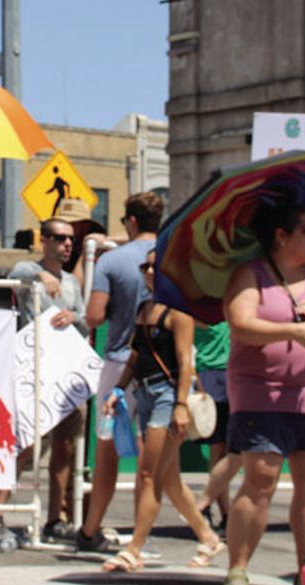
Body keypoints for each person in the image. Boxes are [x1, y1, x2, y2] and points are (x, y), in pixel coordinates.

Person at [222, 205, 305, 585]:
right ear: (281, 235)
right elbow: (242, 324)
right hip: (263, 395)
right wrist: (293, 332)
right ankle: (239, 569)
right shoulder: (250, 275)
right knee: (260, 480)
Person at [100, 249, 225, 572]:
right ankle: (207, 537)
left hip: (168, 395)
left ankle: (135, 548)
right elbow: (133, 356)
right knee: (169, 480)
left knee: (148, 473)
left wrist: (182, 404)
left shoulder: (178, 313)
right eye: (146, 267)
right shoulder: (143, 310)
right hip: (144, 393)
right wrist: (118, 389)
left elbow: (185, 361)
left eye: (156, 267)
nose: (150, 272)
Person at [0, 217, 89, 546]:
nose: (67, 244)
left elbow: (86, 321)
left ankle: (55, 519)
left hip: (67, 376)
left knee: (66, 448)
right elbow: (14, 273)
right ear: (43, 240)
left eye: (70, 239)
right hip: (35, 373)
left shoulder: (72, 283)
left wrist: (75, 317)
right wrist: (38, 275)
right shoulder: (28, 272)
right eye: (59, 238)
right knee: (27, 446)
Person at [75, 191, 164, 553]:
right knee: (151, 460)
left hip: (118, 360)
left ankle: (90, 528)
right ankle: (140, 538)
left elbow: (93, 315)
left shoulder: (112, 262)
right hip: (162, 363)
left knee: (107, 451)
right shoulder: (171, 256)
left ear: (130, 221)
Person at [194, 319, 241, 533]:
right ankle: (222, 513)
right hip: (211, 378)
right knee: (219, 449)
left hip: (235, 376)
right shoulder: (202, 313)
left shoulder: (235, 310)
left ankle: (222, 512)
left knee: (230, 451)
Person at [54, 197, 107, 289]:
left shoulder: (102, 249)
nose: (66, 228)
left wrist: (107, 239)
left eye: (72, 223)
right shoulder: (60, 248)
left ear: (85, 225)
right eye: (63, 223)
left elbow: (74, 289)